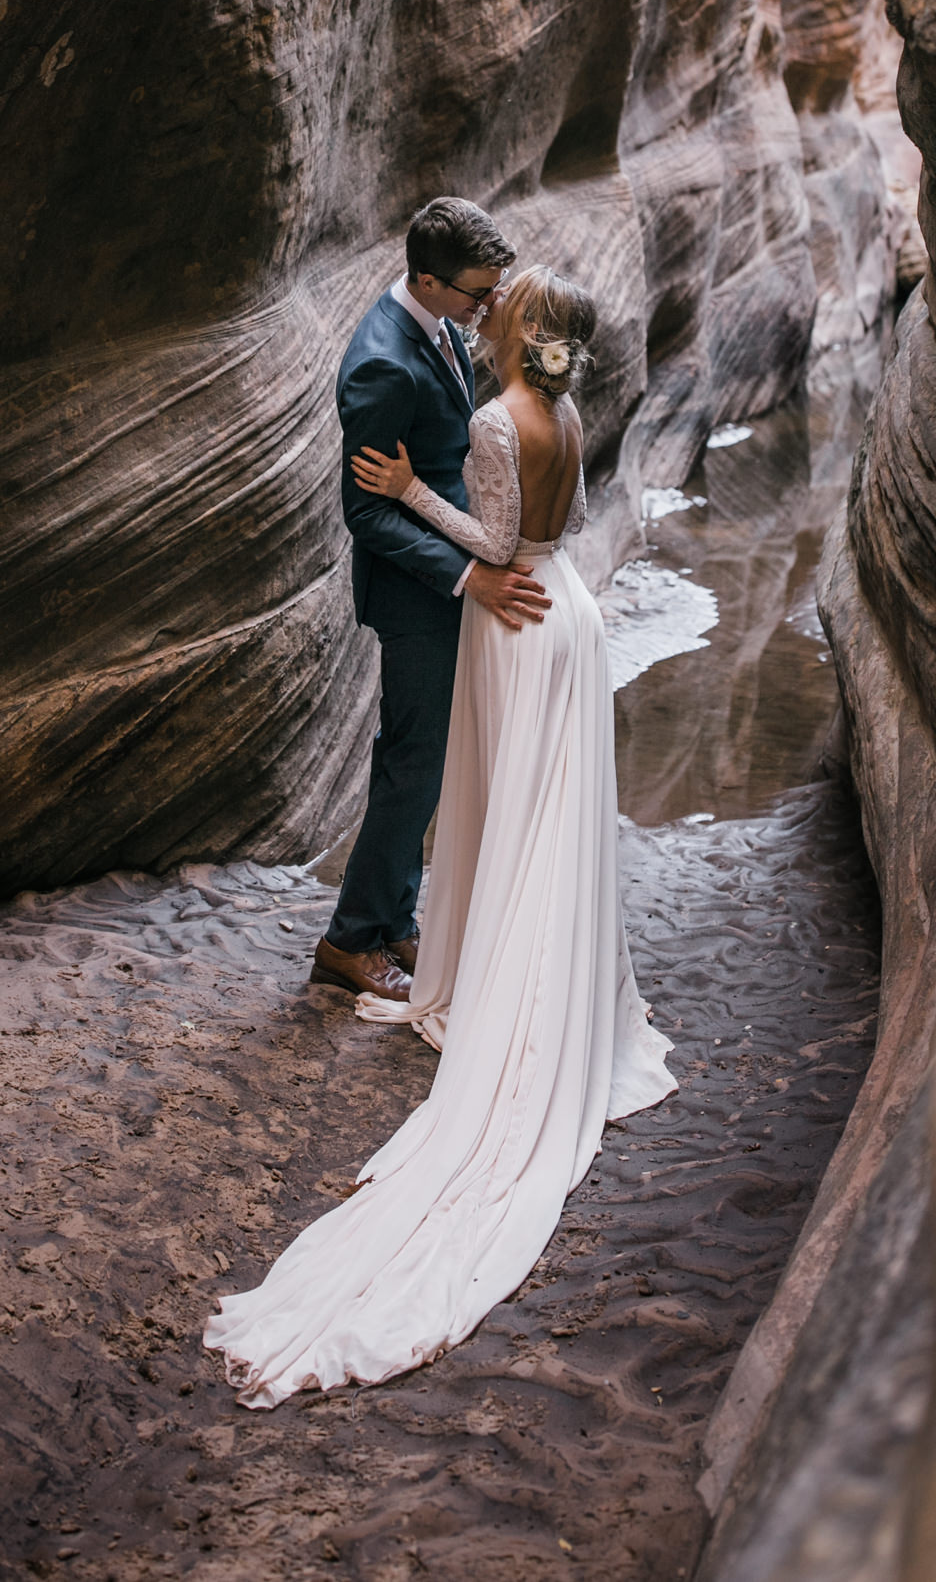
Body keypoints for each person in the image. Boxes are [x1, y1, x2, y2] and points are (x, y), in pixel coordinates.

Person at [204, 266, 675, 1407]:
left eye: (496, 310)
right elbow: (545, 539)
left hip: (517, 619)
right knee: (544, 814)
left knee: (507, 805)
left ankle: (486, 973)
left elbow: (496, 541)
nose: (486, 321)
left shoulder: (490, 417)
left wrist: (413, 488)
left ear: (514, 328)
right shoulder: (563, 409)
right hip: (571, 617)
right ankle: (519, 960)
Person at [308, 197, 551, 1003]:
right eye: (477, 293)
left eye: (493, 290)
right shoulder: (381, 361)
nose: (488, 308)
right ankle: (348, 943)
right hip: (420, 592)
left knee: (427, 764)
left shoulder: (439, 322)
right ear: (425, 278)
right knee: (411, 766)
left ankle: (393, 920)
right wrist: (466, 575)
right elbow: (366, 511)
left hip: (452, 563)